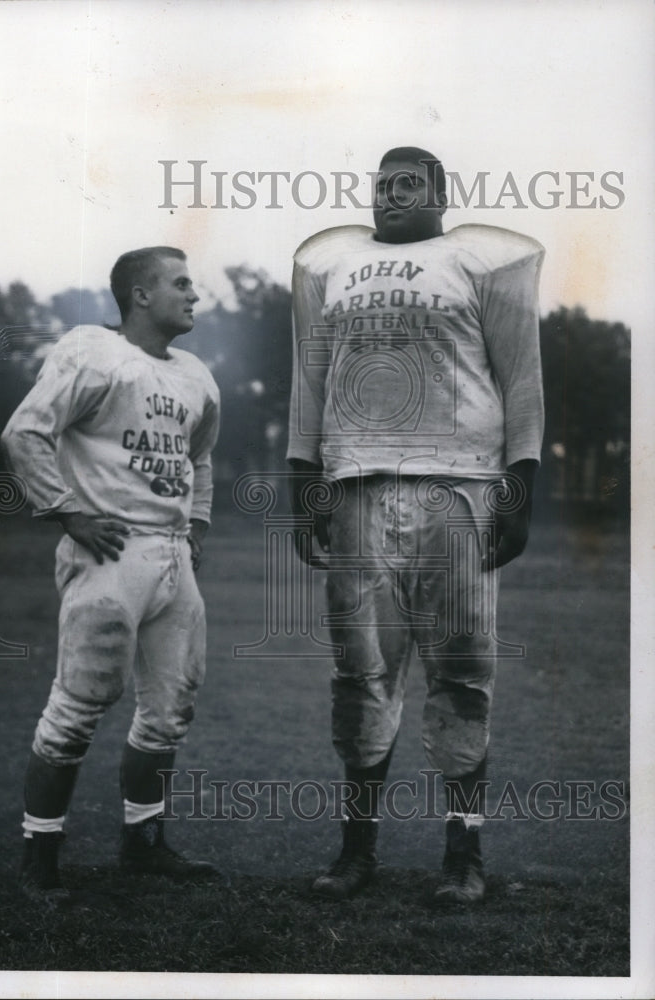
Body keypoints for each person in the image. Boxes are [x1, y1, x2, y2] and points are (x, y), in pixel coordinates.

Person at [287, 147, 544, 903]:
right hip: (358, 481)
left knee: (463, 671)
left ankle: (464, 857)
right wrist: (305, 482)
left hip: (456, 482)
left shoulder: (479, 261)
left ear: (439, 194)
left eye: (408, 184)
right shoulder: (331, 265)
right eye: (380, 184)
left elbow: (522, 374)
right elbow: (309, 375)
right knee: (360, 673)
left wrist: (520, 486)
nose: (390, 195)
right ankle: (355, 852)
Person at [2, 246, 221, 902]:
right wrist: (68, 512)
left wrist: (198, 529)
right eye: (180, 283)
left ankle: (144, 845)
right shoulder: (91, 351)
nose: (194, 294)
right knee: (76, 709)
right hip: (109, 551)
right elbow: (26, 433)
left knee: (169, 709)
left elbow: (200, 460)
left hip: (172, 555)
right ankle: (40, 857)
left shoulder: (195, 375)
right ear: (140, 294)